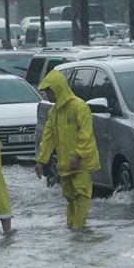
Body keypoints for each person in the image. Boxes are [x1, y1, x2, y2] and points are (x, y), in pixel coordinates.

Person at [34, 69, 100, 230]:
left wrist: (78, 155)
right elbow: (48, 138)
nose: (47, 96)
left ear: (57, 89)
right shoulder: (54, 112)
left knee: (82, 195)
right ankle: (73, 229)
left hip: (81, 163)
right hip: (66, 163)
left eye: (48, 91)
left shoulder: (79, 107)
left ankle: (79, 229)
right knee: (70, 197)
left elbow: (86, 134)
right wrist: (41, 161)